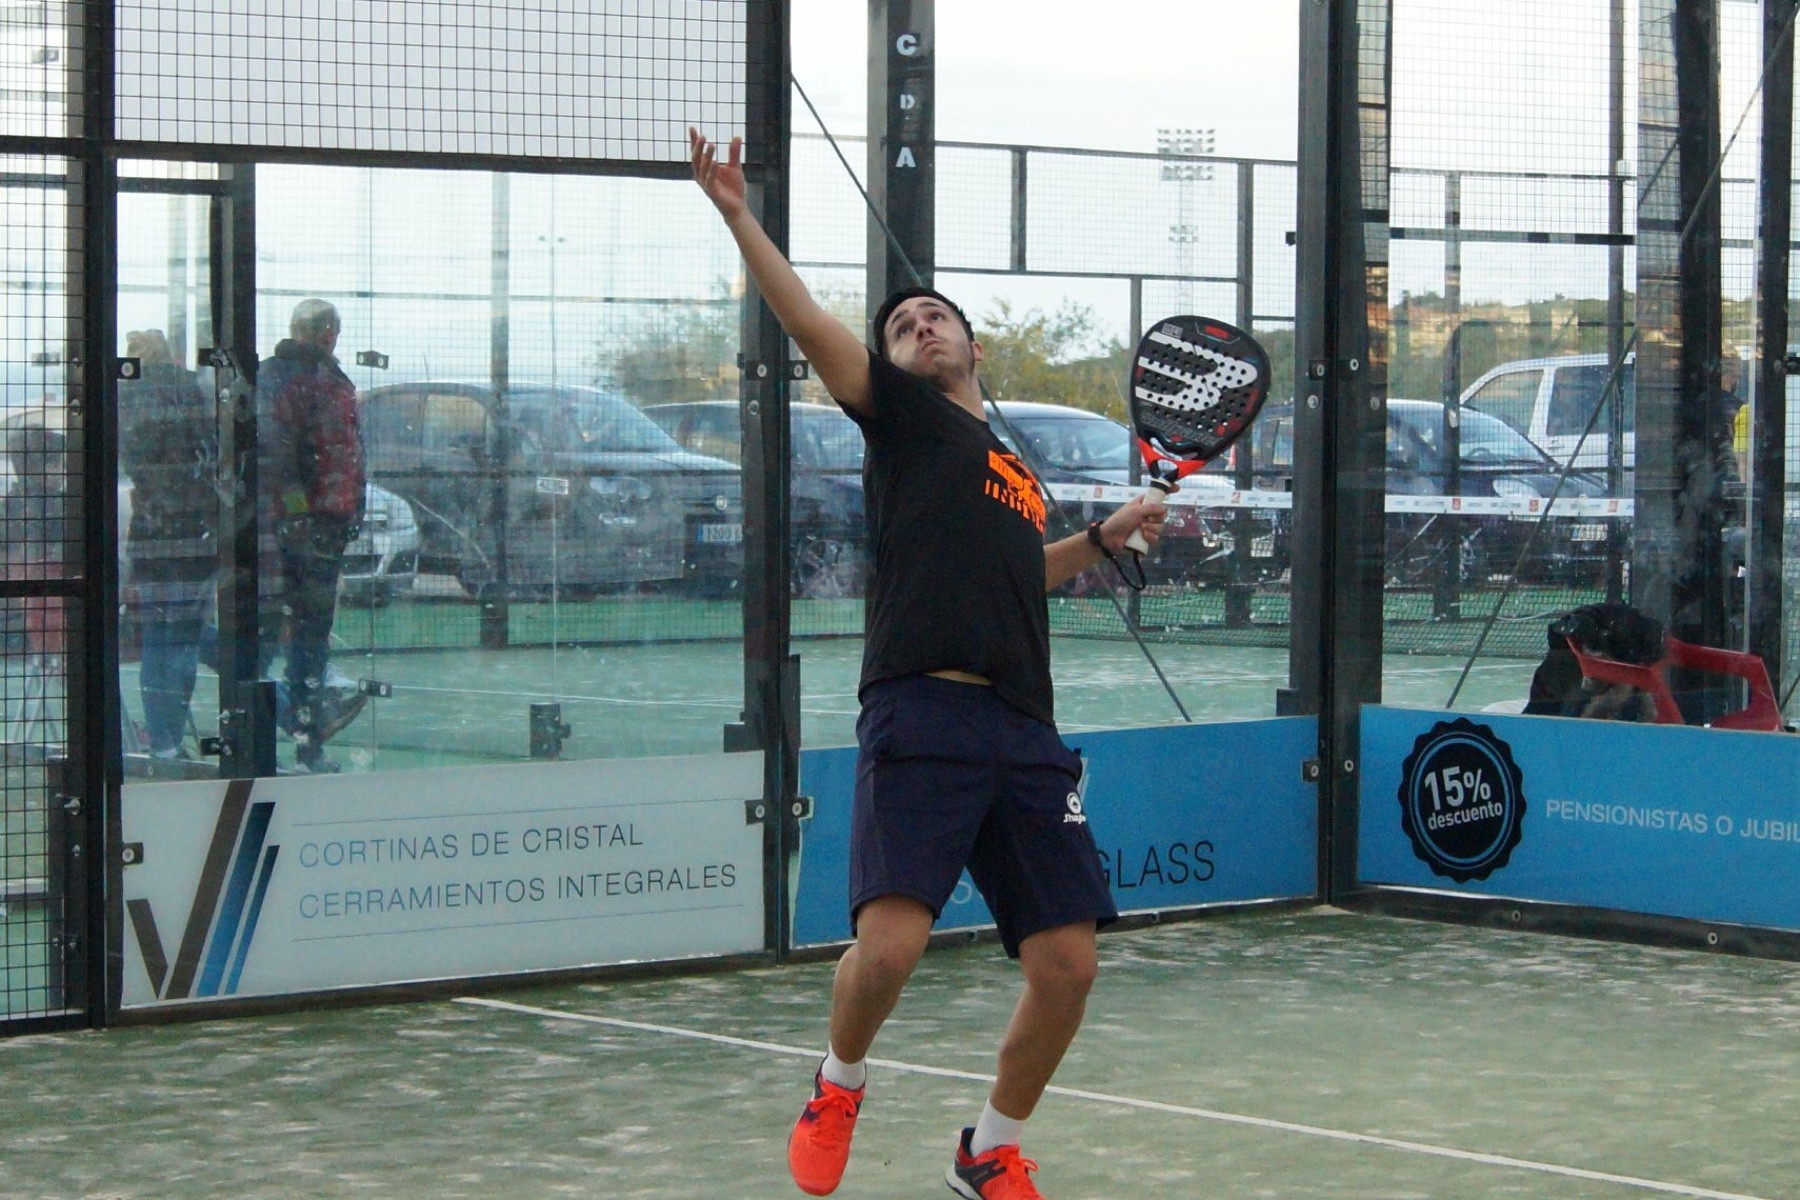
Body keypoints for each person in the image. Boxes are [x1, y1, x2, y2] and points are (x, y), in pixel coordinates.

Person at [691, 128, 1168, 1200]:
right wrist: (738, 217)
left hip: (1024, 729)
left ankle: (987, 1150)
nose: (919, 325)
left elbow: (1017, 572)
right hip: (922, 712)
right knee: (892, 950)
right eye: (902, 326)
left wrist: (1100, 539)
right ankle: (839, 1081)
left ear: (972, 345)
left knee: (1069, 966)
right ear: (891, 365)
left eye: (936, 316)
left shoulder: (1008, 462)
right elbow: (807, 321)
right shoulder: (900, 422)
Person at [256, 298, 366, 773]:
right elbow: (286, 457)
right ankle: (303, 737)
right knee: (301, 636)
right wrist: (304, 517)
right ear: (325, 333)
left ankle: (296, 735)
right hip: (308, 527)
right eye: (330, 331)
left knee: (296, 635)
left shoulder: (296, 378)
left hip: (311, 524)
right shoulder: (312, 381)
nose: (332, 339)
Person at [119, 329, 218, 759]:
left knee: (158, 637)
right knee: (182, 637)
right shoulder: (186, 391)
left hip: (149, 533)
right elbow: (210, 453)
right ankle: (169, 736)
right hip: (189, 532)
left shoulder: (123, 399)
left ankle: (163, 741)